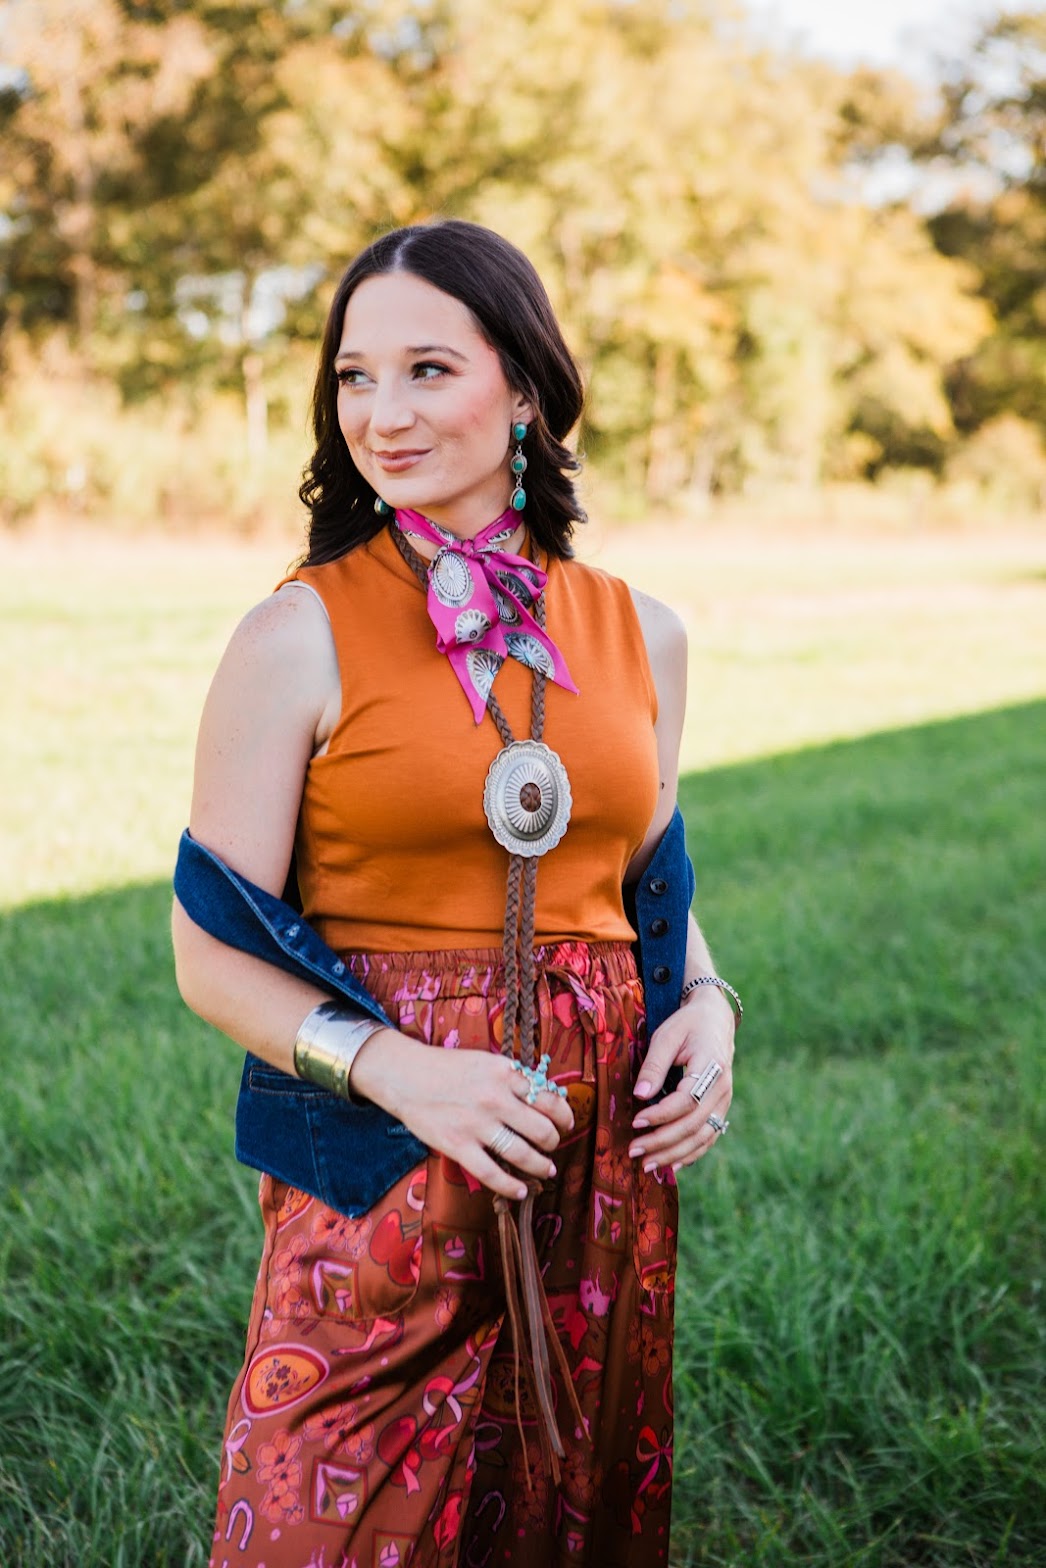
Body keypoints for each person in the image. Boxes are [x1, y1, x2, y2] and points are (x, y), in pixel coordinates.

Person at [172, 218, 738, 1568]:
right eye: (353, 378)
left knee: (565, 1495)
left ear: (526, 387)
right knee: (325, 1503)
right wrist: (405, 1075)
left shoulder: (640, 630)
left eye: (427, 369)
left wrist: (707, 1001)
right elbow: (210, 955)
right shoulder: (294, 632)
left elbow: (640, 871)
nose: (381, 413)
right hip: (376, 1151)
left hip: (594, 1153)